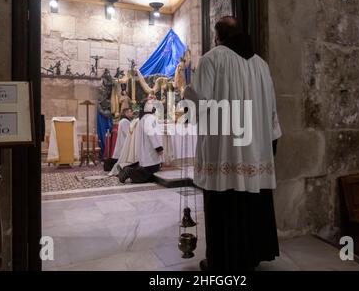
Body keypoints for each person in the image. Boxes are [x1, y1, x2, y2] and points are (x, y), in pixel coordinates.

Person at [184, 16, 282, 271]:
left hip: (224, 151)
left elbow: (199, 102)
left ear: (218, 36)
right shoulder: (262, 64)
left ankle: (223, 261)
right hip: (256, 151)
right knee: (252, 206)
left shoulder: (211, 59)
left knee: (224, 210)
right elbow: (271, 109)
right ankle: (251, 256)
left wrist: (186, 93)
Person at [118, 101, 164, 184]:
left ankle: (128, 168)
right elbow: (152, 134)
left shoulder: (142, 118)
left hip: (145, 151)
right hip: (151, 151)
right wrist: (158, 148)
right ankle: (129, 171)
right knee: (149, 175)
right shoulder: (150, 118)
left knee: (148, 170)